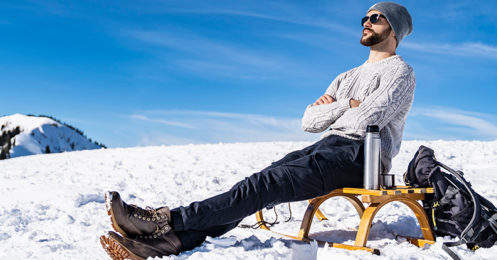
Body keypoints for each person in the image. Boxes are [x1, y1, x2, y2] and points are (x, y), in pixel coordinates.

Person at [99, 2, 415, 259]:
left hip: (362, 157)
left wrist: (334, 108)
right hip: (326, 146)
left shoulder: (400, 72)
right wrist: (349, 103)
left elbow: (367, 120)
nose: (367, 21)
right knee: (257, 186)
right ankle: (165, 243)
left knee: (266, 183)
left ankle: (162, 221)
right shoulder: (347, 76)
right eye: (366, 16)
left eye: (377, 17)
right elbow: (309, 122)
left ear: (394, 28)